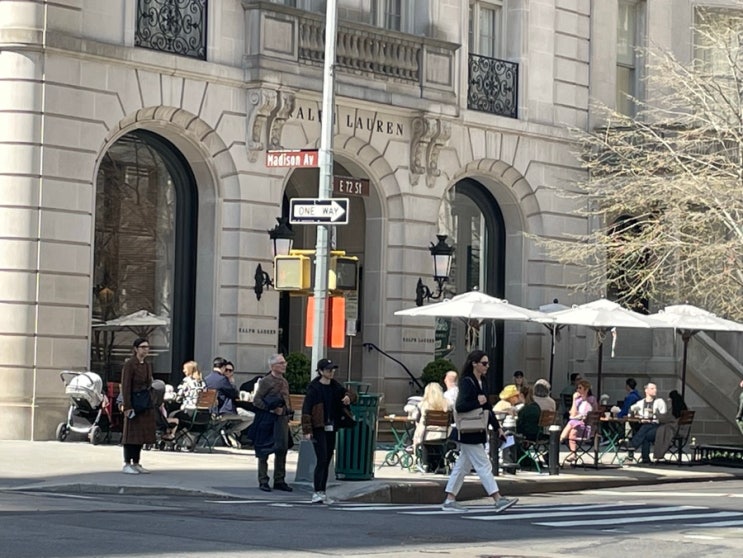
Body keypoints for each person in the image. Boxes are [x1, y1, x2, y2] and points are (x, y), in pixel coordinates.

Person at [441, 349, 518, 512]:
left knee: (462, 467)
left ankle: (450, 499)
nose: (487, 366)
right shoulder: (467, 382)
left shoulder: (482, 381)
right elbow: (460, 406)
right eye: (484, 363)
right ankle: (497, 498)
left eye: (488, 363)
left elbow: (487, 407)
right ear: (474, 364)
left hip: (475, 430)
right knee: (484, 464)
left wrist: (497, 427)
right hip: (469, 431)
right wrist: (478, 401)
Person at [301, 359, 356, 504]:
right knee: (322, 458)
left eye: (332, 370)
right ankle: (317, 491)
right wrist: (307, 429)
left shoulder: (335, 386)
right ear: (320, 371)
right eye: (328, 370)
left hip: (332, 426)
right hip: (318, 427)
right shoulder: (314, 388)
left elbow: (352, 394)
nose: (331, 372)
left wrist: (348, 397)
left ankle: (322, 492)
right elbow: (306, 409)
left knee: (327, 459)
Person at [252, 353, 293, 492]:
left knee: (282, 449)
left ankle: (279, 480)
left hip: (282, 420)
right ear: (273, 366)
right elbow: (256, 400)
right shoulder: (266, 381)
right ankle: (263, 480)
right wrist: (271, 409)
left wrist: (287, 412)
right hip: (267, 420)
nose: (284, 365)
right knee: (264, 449)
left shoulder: (284, 381)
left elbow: (286, 400)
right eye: (281, 363)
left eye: (284, 362)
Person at [120, 338, 156, 474]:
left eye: (147, 347)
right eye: (143, 347)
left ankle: (136, 462)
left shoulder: (147, 365)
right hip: (134, 401)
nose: (146, 350)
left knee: (141, 434)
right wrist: (127, 405)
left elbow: (149, 383)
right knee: (131, 434)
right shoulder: (130, 364)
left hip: (144, 402)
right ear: (136, 349)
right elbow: (126, 386)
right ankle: (127, 463)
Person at [205, 357, 252, 448]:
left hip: (209, 412)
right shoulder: (222, 379)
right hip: (222, 412)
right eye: (225, 369)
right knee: (252, 417)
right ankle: (231, 431)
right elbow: (234, 394)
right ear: (222, 367)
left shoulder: (206, 379)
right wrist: (232, 383)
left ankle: (228, 431)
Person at [411, 382, 451, 472]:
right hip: (443, 434)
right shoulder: (447, 404)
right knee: (438, 442)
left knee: (418, 433)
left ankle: (426, 464)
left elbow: (417, 419)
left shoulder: (423, 404)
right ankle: (440, 464)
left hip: (427, 434)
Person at [628, 382, 668, 464]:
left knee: (646, 428)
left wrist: (655, 416)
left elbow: (664, 417)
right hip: (646, 427)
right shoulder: (640, 403)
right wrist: (637, 415)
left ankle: (632, 446)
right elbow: (631, 409)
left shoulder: (659, 402)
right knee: (646, 434)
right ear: (646, 390)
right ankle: (645, 458)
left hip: (658, 427)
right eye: (652, 388)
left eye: (655, 388)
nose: (655, 390)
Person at [560, 379, 594, 462]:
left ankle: (561, 439)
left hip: (586, 428)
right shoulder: (578, 400)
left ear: (586, 390)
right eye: (577, 388)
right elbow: (572, 414)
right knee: (572, 429)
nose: (577, 390)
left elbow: (590, 414)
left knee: (572, 425)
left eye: (580, 388)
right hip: (577, 426)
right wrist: (574, 401)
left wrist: (577, 416)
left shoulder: (591, 400)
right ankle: (573, 453)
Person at [653, 390, 688, 460]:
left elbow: (665, 418)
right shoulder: (683, 409)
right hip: (680, 430)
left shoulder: (674, 410)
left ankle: (658, 453)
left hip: (674, 430)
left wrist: (656, 413)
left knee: (649, 433)